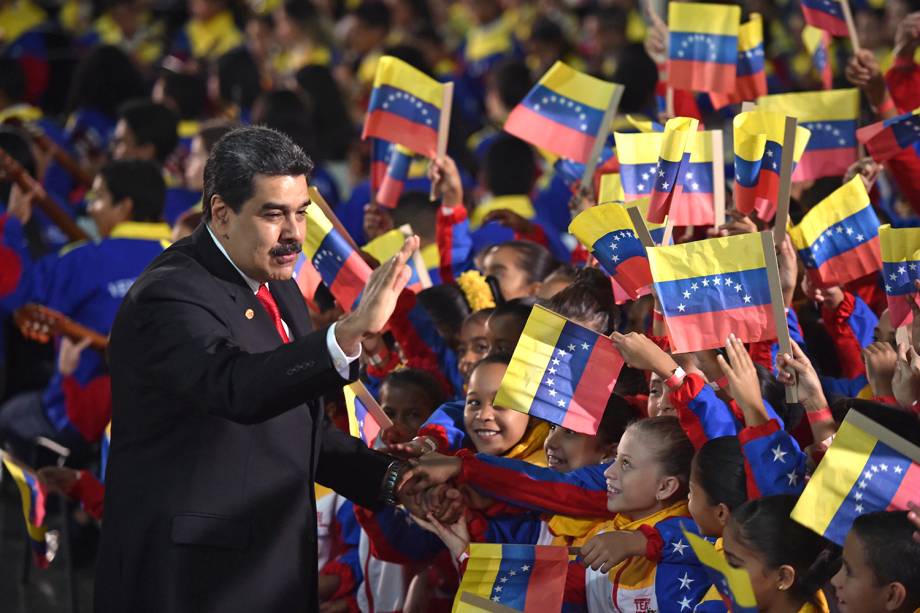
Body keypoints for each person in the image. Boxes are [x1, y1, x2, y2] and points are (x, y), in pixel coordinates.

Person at [94, 126, 420, 612]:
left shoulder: (276, 282)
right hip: (191, 583)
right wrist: (347, 334)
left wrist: (395, 479)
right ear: (222, 213)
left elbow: (290, 424)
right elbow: (238, 388)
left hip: (267, 568)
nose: (293, 233)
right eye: (274, 214)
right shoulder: (168, 295)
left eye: (300, 213)